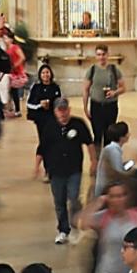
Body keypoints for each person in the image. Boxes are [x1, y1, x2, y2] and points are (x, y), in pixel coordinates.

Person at [39, 100, 94, 248]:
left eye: (65, 110)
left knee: (74, 197)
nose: (63, 114)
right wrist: (36, 166)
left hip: (73, 169)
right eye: (59, 110)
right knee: (59, 201)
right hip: (56, 171)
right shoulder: (50, 127)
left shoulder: (78, 124)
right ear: (55, 111)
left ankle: (75, 225)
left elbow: (89, 142)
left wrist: (93, 161)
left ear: (69, 110)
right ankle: (63, 229)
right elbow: (42, 148)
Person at [83, 48, 122, 146]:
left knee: (109, 135)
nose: (101, 57)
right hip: (96, 106)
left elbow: (123, 87)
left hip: (110, 106)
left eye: (103, 54)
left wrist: (114, 92)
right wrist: (85, 107)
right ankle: (97, 158)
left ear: (108, 55)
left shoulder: (114, 69)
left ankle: (108, 157)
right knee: (97, 135)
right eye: (99, 54)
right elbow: (86, 89)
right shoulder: (92, 70)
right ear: (96, 56)